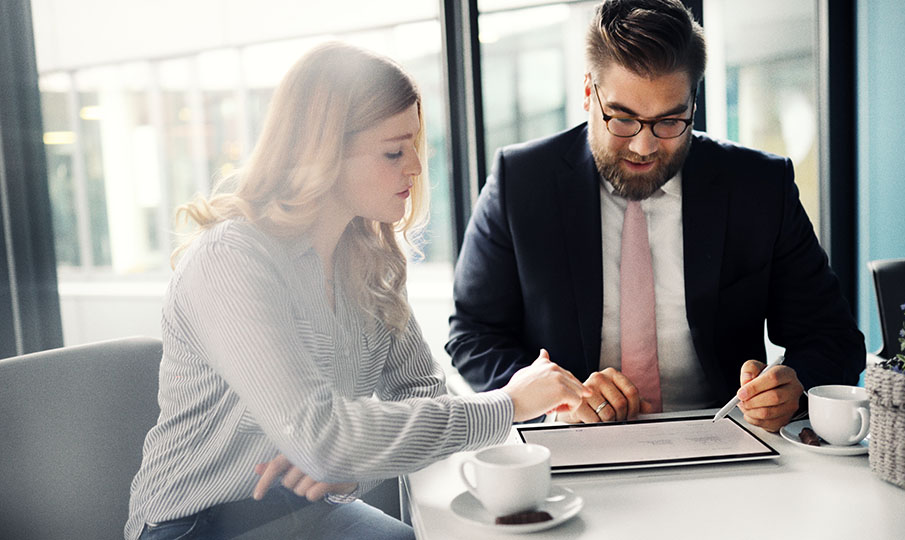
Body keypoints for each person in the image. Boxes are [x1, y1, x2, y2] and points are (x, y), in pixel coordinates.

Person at [125, 42, 589, 540]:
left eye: (414, 144)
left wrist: (354, 467)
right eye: (393, 150)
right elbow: (323, 437)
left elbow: (419, 394)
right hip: (197, 525)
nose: (414, 165)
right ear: (321, 154)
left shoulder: (370, 261)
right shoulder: (230, 261)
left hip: (306, 508)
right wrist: (508, 404)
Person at [446, 0, 865, 432]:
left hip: (727, 445)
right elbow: (473, 335)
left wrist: (794, 388)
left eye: (669, 121)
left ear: (693, 104)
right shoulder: (522, 182)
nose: (644, 147)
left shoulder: (758, 185)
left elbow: (832, 338)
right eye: (623, 119)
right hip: (572, 444)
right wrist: (552, 399)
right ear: (589, 92)